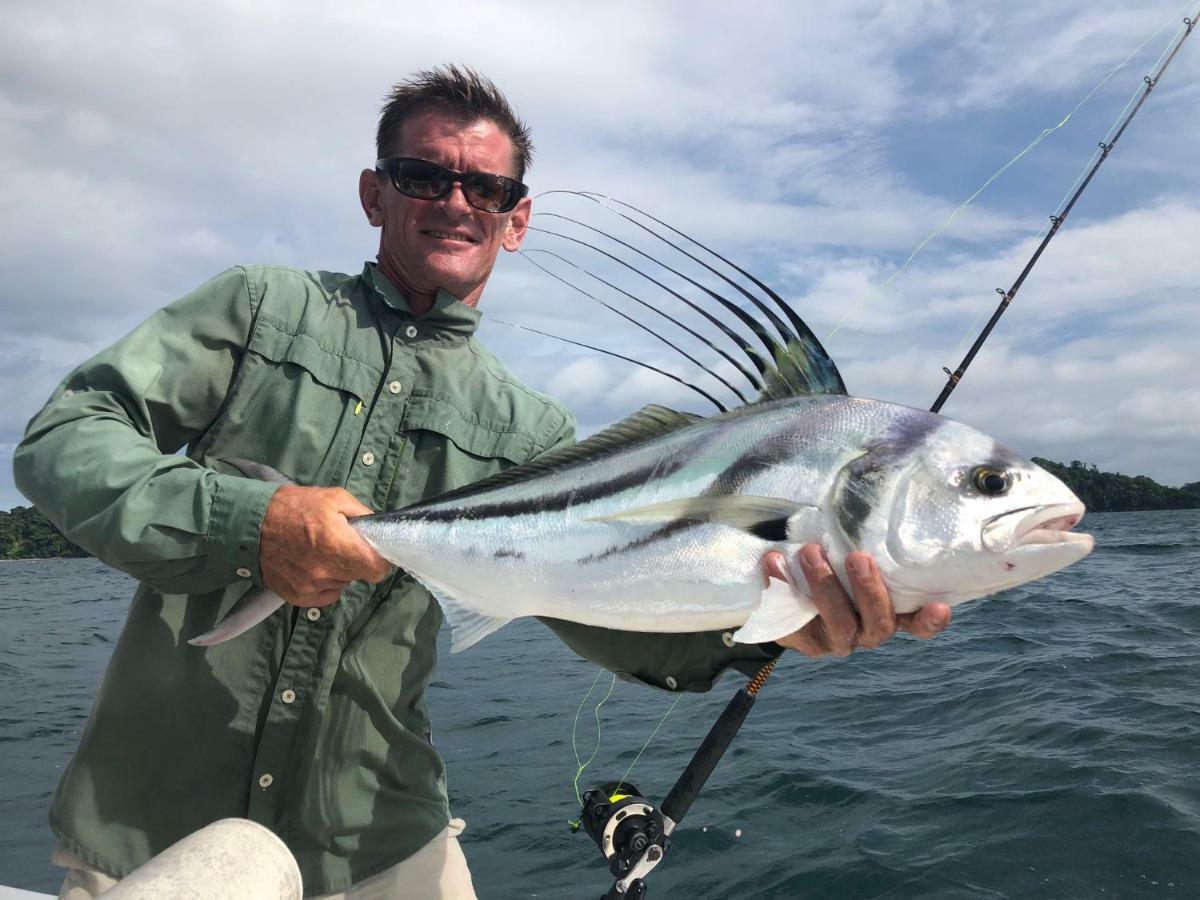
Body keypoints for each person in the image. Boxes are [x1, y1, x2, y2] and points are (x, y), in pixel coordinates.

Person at [13, 66, 950, 899]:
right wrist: (248, 522)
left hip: (381, 840)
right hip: (148, 824)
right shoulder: (260, 308)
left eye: (486, 185)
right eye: (425, 176)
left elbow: (602, 606)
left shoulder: (530, 429)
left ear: (517, 216)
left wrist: (768, 627)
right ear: (375, 195)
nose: (455, 200)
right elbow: (65, 438)